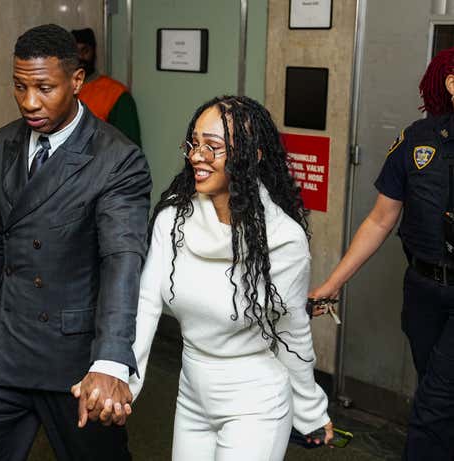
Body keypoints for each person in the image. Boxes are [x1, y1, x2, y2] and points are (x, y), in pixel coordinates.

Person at [76, 95, 333, 460]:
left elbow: (292, 331)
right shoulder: (173, 220)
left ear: (252, 156)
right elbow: (146, 302)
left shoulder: (282, 240)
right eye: (194, 144)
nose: (197, 155)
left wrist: (311, 412)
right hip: (192, 393)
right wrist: (120, 380)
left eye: (213, 147)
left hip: (255, 401)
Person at [0, 24, 152, 461]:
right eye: (20, 87)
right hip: (4, 347)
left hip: (75, 358)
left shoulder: (117, 159)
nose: (29, 102)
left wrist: (112, 361)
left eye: (44, 87)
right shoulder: (1, 144)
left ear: (76, 81)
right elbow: (1, 237)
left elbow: (123, 259)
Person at [309, 47, 454, 460]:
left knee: (433, 407)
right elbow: (379, 219)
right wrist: (332, 284)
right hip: (424, 290)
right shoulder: (417, 139)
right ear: (451, 84)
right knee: (437, 394)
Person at [71, 27, 142, 147]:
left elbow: (129, 147)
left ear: (94, 52)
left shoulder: (115, 94)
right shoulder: (59, 90)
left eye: (85, 50)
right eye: (75, 52)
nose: (80, 57)